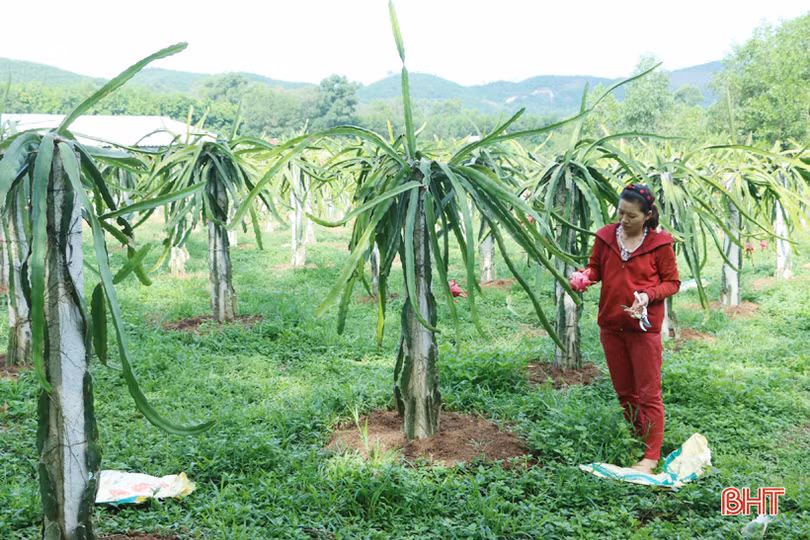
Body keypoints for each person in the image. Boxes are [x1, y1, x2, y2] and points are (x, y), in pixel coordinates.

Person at [570, 183, 680, 474]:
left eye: (631, 215)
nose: (624, 220)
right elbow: (595, 267)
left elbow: (672, 283)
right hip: (612, 325)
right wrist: (585, 277)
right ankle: (639, 439)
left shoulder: (660, 244)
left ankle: (651, 457)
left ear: (647, 216)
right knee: (625, 393)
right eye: (620, 212)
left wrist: (647, 295)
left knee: (648, 393)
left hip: (643, 329)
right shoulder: (606, 236)